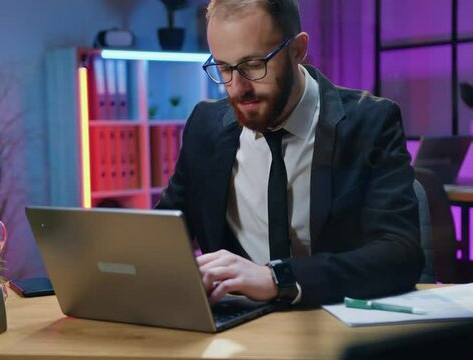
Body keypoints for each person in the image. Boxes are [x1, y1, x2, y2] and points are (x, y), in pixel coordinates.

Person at [156, 0, 423, 308]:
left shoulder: (371, 123)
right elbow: (164, 234)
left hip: (332, 324)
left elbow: (401, 254)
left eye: (254, 65)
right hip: (238, 327)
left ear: (298, 49)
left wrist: (278, 278)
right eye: (224, 68)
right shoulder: (205, 127)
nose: (238, 87)